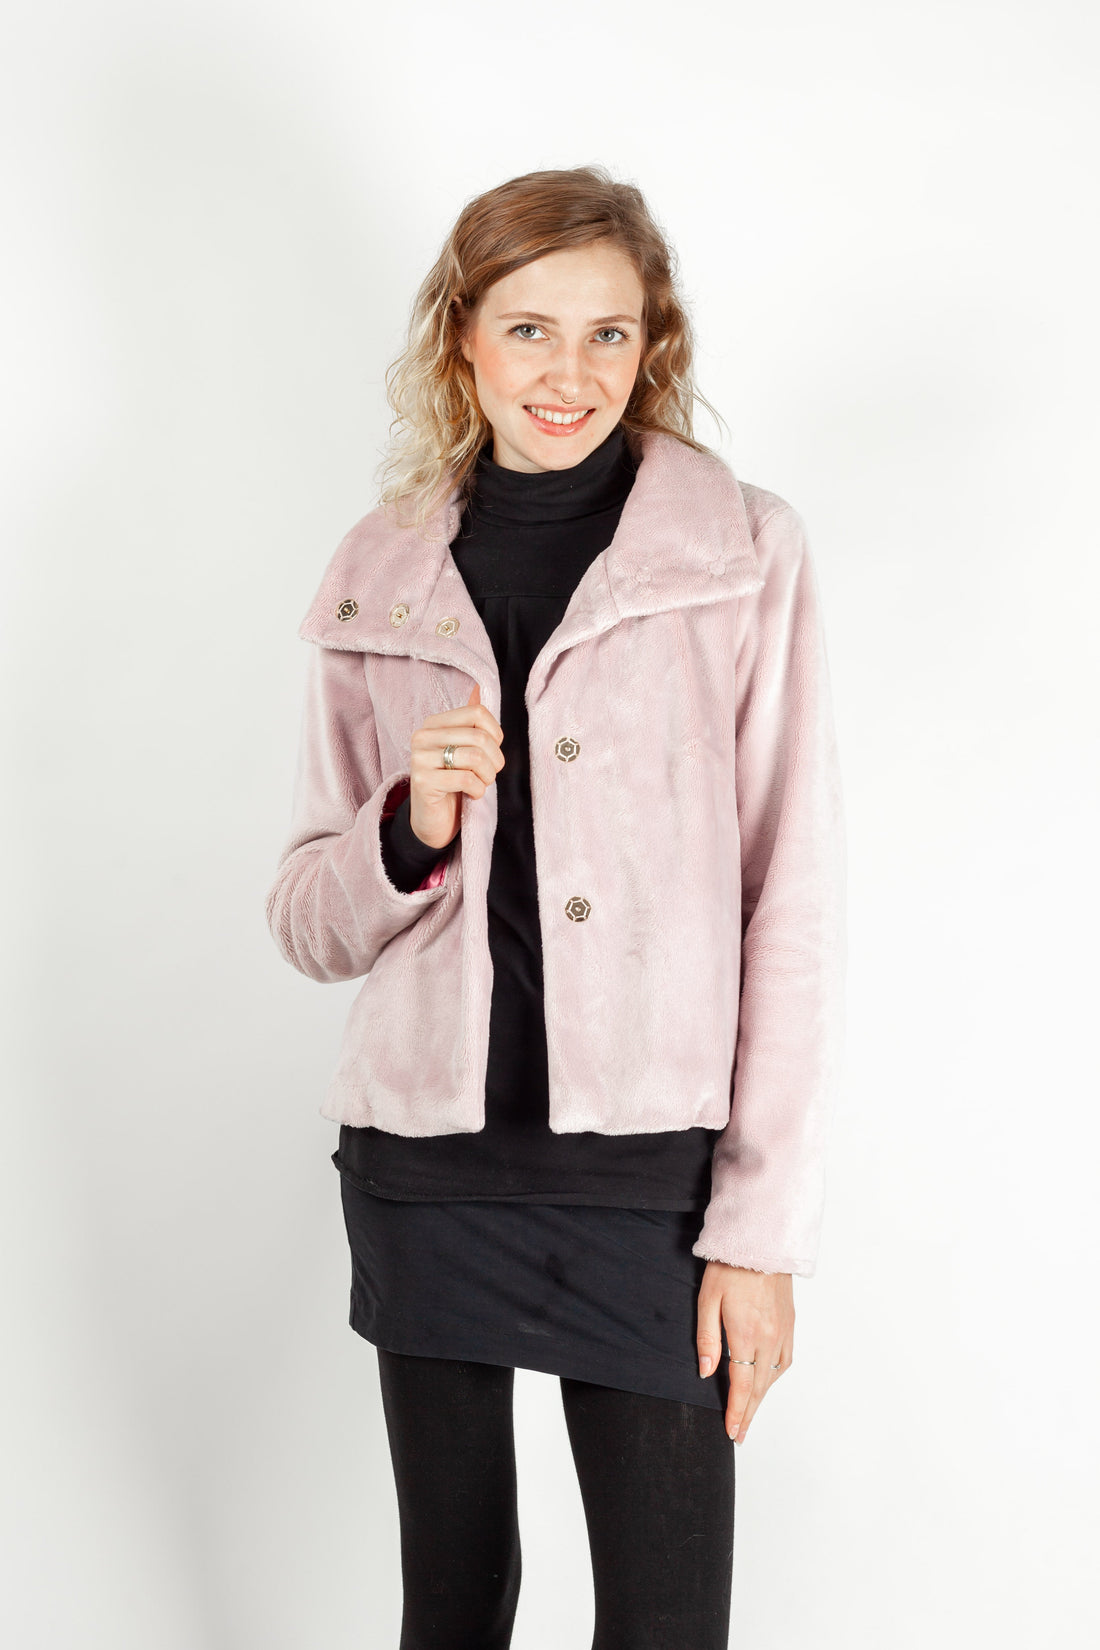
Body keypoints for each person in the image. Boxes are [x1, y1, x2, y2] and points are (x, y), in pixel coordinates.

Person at [264, 164, 846, 1650]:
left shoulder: (741, 556)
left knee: (666, 1622)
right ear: (461, 338)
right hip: (424, 1174)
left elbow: (792, 902)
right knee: (451, 1613)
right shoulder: (377, 572)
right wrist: (409, 827)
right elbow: (308, 919)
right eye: (529, 329)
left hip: (654, 1185)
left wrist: (760, 1230)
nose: (567, 373)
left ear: (654, 345)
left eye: (607, 333)